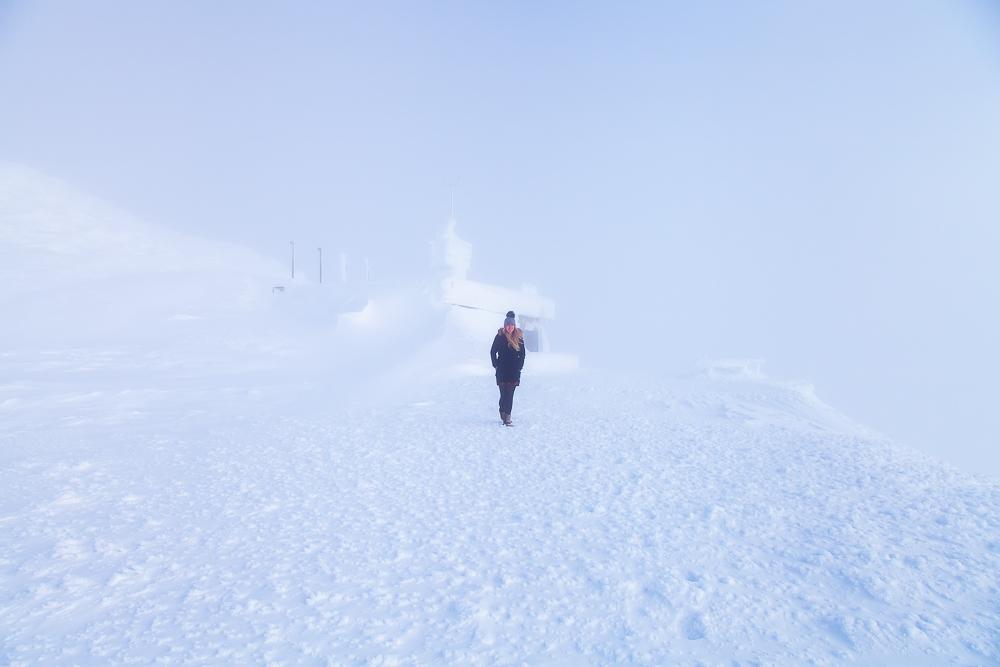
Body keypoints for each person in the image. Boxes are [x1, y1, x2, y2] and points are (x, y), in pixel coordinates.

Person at [490, 310, 526, 426]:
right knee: (503, 394)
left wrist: (519, 366)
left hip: (514, 371)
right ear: (505, 326)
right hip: (502, 371)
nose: (510, 327)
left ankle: (507, 417)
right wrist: (495, 364)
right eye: (508, 325)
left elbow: (523, 354)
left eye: (512, 325)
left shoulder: (519, 337)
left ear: (514, 326)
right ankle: (502, 410)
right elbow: (492, 351)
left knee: (510, 394)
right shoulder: (500, 336)